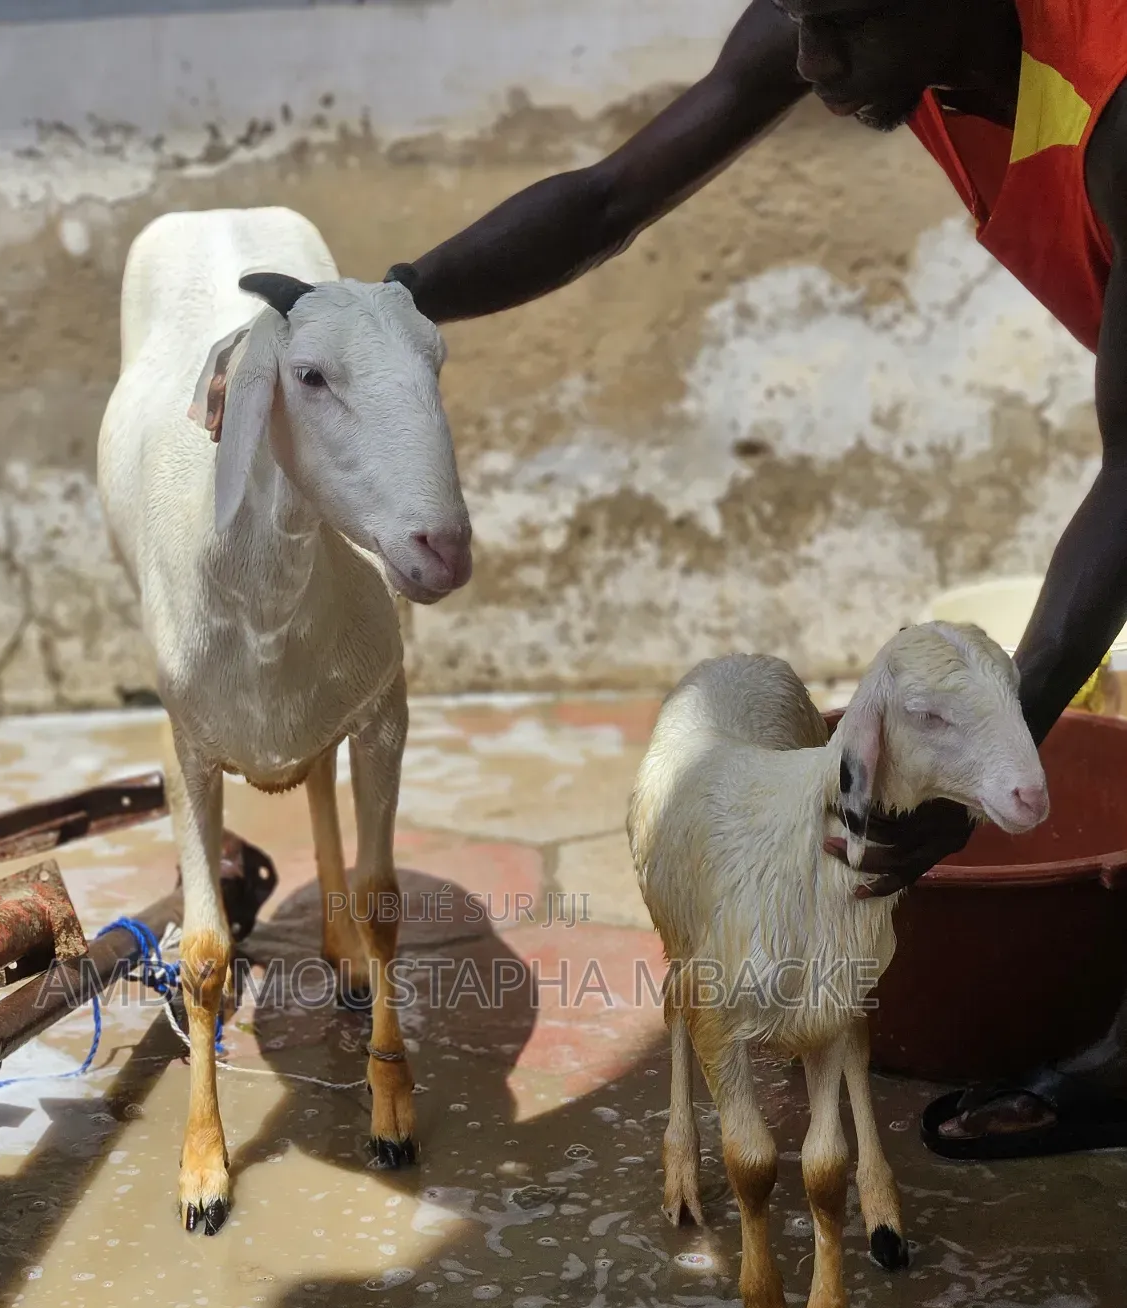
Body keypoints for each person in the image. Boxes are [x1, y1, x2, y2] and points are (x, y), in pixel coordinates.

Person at [372, 0, 1127, 1157]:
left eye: (840, 29)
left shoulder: (1110, 96)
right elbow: (609, 197)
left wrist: (996, 745)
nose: (810, 61)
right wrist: (388, 299)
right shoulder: (867, 23)